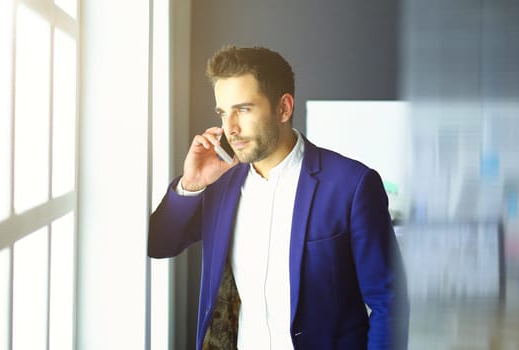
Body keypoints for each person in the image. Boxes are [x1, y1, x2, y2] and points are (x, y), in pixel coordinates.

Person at [148, 45, 409, 350]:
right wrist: (191, 184)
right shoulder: (219, 185)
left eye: (243, 109)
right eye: (223, 112)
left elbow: (389, 304)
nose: (229, 128)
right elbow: (159, 243)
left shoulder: (352, 185)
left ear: (284, 108)